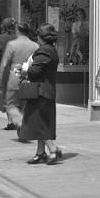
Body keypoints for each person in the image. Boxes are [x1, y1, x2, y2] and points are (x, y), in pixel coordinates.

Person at [19, 24, 63, 165]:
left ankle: (53, 149)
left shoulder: (44, 51)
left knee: (38, 122)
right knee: (41, 121)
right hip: (46, 90)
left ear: (41, 38)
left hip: (40, 91)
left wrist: (24, 68)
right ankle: (40, 153)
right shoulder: (52, 50)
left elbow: (34, 71)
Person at [0, 22, 40, 132]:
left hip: (14, 78)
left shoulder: (12, 45)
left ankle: (20, 122)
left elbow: (4, 65)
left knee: (10, 104)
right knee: (26, 104)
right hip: (29, 78)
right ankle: (23, 125)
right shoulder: (35, 45)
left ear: (18, 31)